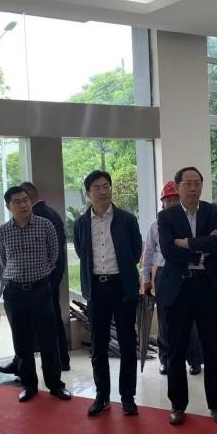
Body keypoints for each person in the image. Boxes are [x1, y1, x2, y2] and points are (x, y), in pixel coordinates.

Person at [157, 166, 217, 426]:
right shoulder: (166, 217)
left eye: (197, 183)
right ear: (178, 187)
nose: (193, 188)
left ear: (202, 185)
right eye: (187, 183)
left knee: (212, 348)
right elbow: (169, 251)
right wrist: (203, 246)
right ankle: (178, 406)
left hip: (208, 287)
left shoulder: (213, 212)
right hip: (178, 289)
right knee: (176, 350)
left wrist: (188, 243)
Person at [73, 170, 143, 416]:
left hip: (122, 286)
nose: (103, 191)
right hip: (96, 289)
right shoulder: (81, 223)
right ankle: (102, 396)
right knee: (99, 345)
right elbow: (82, 252)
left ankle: (128, 397)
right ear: (88, 193)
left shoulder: (126, 219)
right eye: (97, 187)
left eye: (106, 186)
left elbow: (136, 250)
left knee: (127, 343)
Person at [0, 186, 71, 402]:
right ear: (8, 206)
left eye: (26, 200)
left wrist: (39, 275)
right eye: (17, 201)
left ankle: (55, 384)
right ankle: (29, 385)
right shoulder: (3, 231)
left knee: (49, 341)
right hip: (15, 292)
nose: (23, 205)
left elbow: (53, 256)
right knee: (22, 343)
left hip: (40, 290)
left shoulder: (45, 225)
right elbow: (4, 260)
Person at [142, 181, 203, 375]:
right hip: (164, 275)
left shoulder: (189, 223)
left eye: (176, 199)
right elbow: (148, 254)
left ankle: (194, 360)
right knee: (165, 320)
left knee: (191, 319)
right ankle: (165, 359)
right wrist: (146, 279)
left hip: (188, 274)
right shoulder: (155, 226)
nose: (172, 203)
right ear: (162, 203)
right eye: (168, 200)